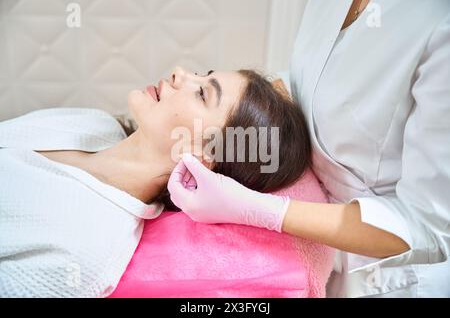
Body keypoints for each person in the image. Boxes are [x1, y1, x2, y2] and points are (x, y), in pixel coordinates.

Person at [167, 0, 450, 297]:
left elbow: (426, 226)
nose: (177, 73)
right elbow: (319, 85)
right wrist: (256, 106)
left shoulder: (438, 21)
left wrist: (260, 209)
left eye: (201, 92)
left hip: (388, 279)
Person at [0, 67, 311, 297]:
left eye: (202, 93)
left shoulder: (86, 252)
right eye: (202, 75)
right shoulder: (93, 122)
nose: (179, 74)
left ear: (203, 157)